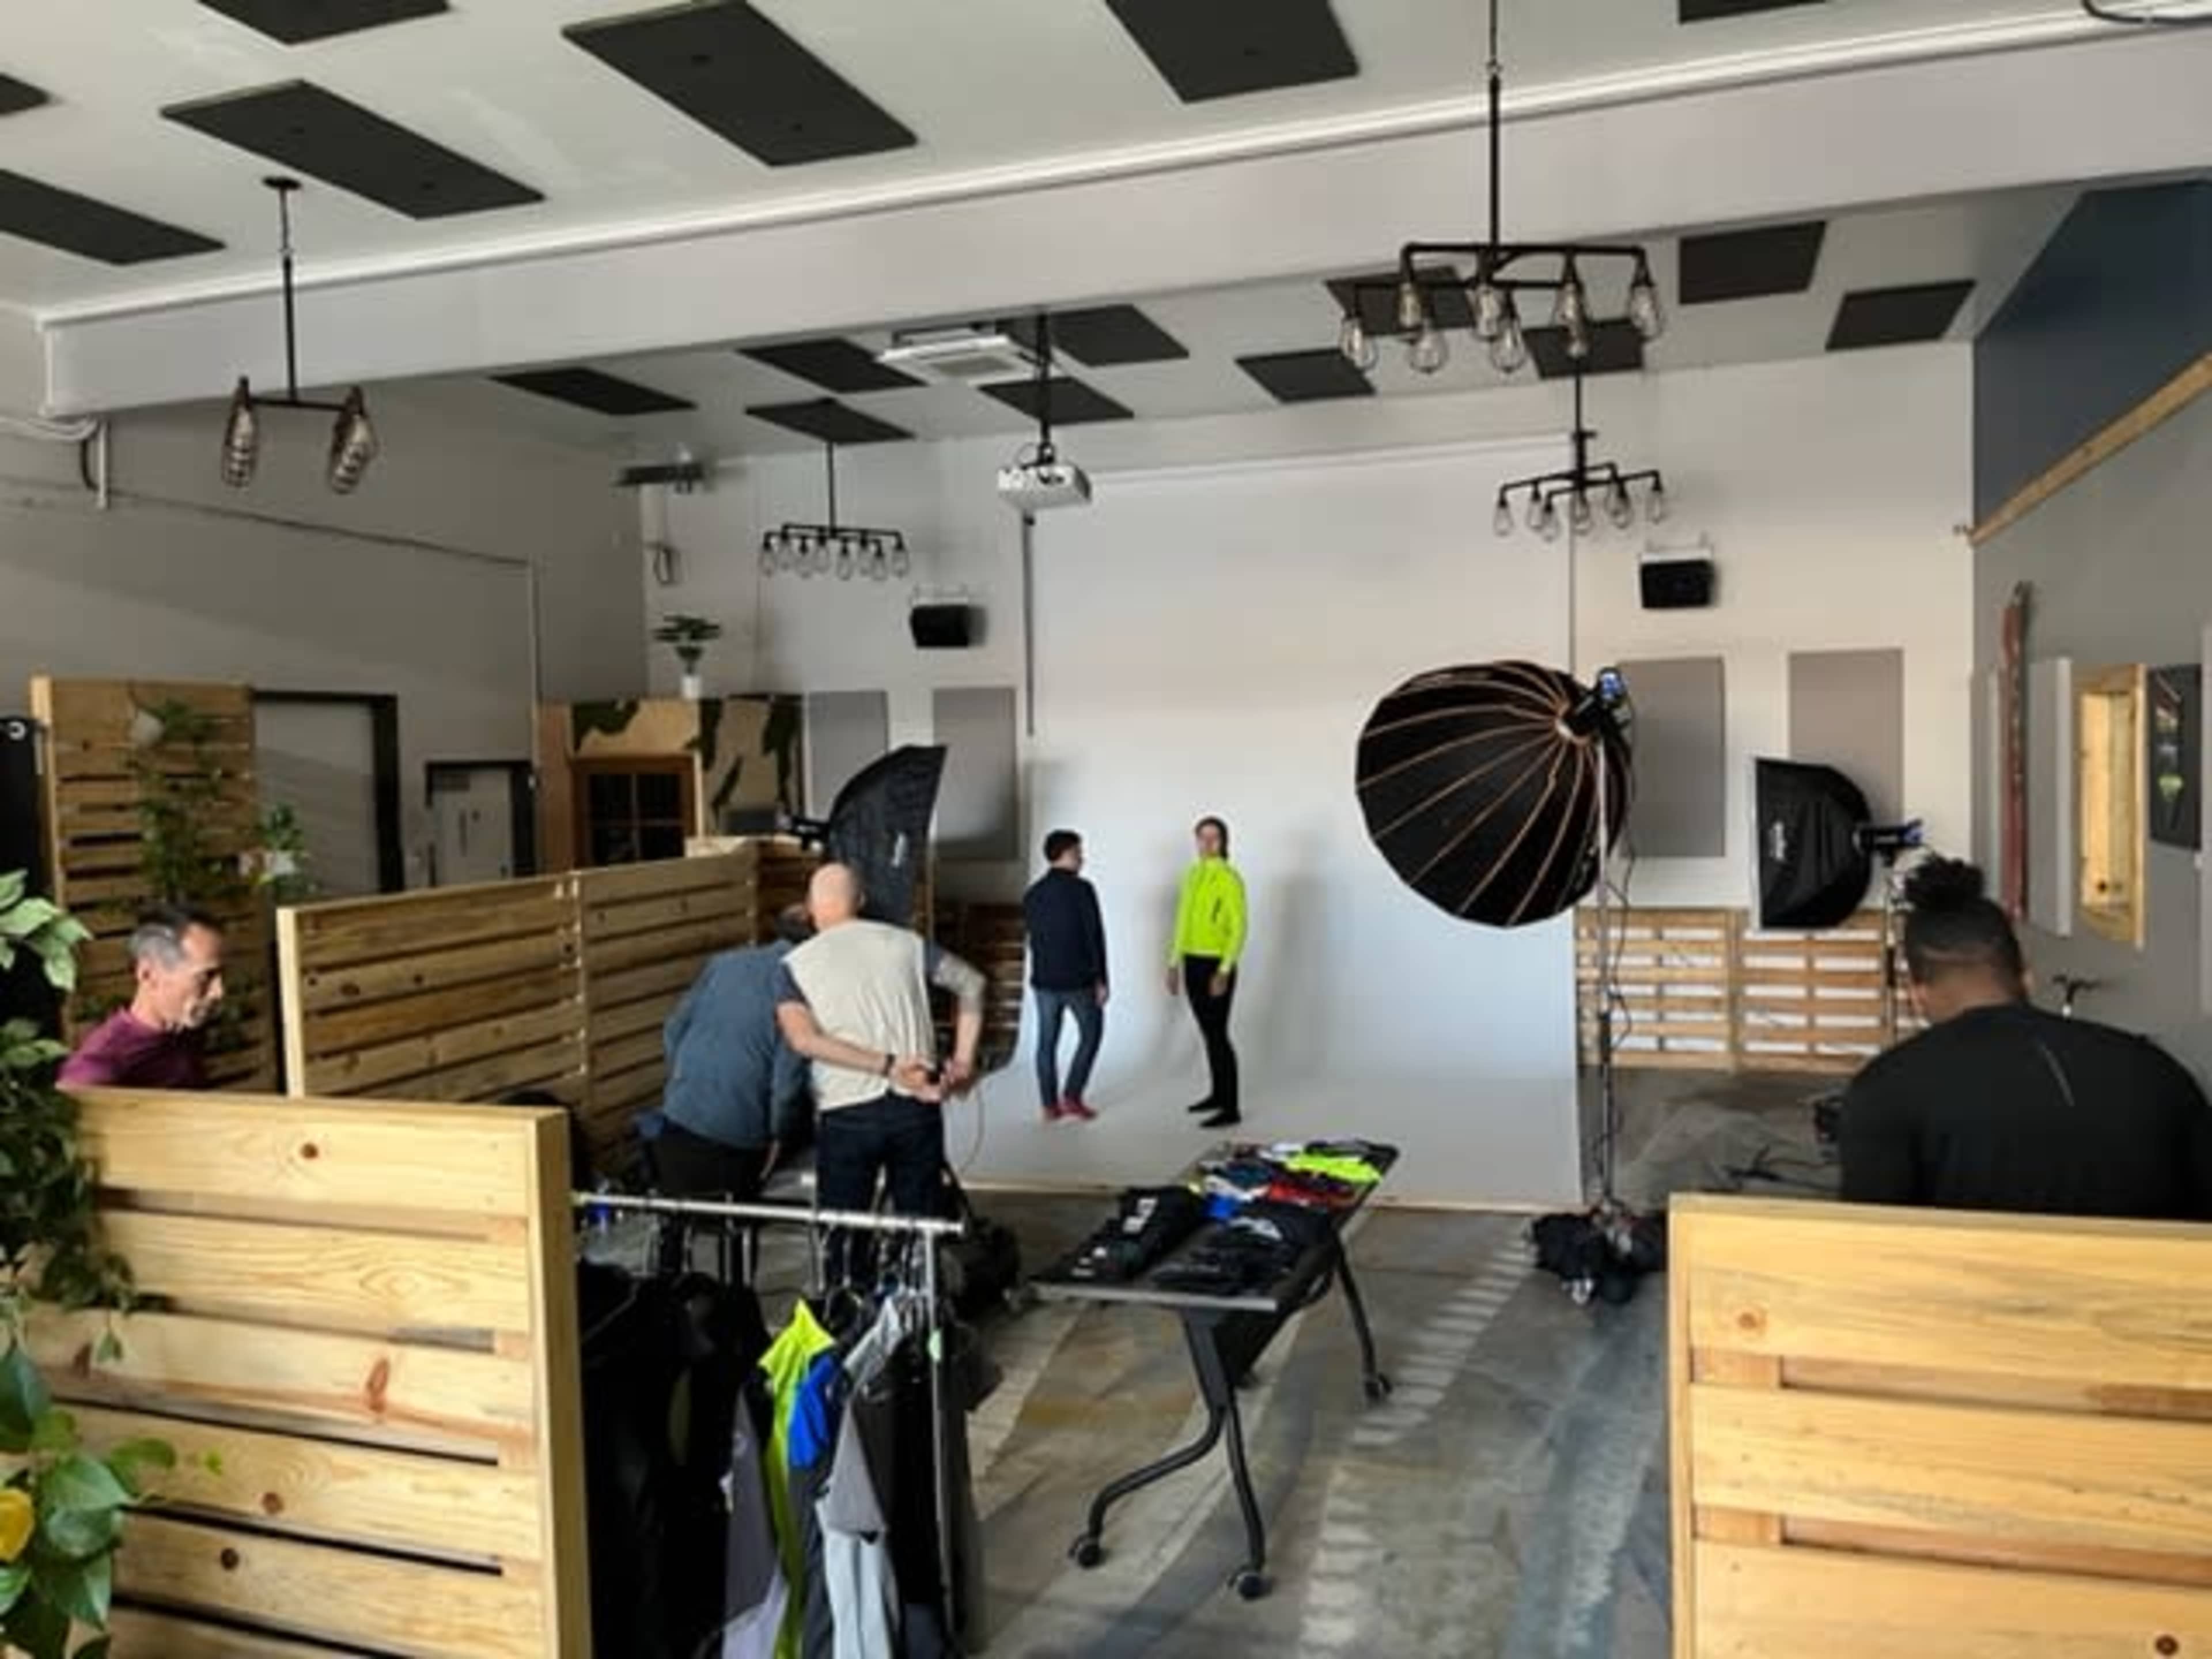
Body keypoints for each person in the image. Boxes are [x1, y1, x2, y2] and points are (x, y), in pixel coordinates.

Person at [1839, 857, 2212, 1219]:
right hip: (2153, 1281)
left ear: (1917, 994)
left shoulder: (1884, 1092)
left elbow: (1871, 1251)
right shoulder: (2156, 1072)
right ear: (2027, 975)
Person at [774, 864, 986, 1262]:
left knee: (843, 1228)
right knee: (920, 1227)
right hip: (916, 1103)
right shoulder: (907, 944)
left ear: (810, 908)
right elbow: (971, 983)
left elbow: (804, 1039)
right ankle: (920, 1310)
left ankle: (849, 1308)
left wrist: (886, 1066)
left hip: (846, 1111)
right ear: (861, 902)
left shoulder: (796, 966)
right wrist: (963, 1061)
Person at [659, 902, 815, 1203]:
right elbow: (786, 1087)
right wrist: (779, 1136)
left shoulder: (725, 963)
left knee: (677, 1219)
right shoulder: (798, 986)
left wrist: (687, 1082)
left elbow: (674, 1029)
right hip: (737, 1138)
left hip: (677, 1120)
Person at [59, 904, 225, 1089]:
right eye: (206, 977)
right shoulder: (97, 1069)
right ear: (148, 974)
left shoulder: (185, 1031)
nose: (219, 991)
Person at [1166, 815, 1248, 1130]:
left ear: (1224, 842)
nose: (1207, 843)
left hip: (1216, 964)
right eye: (1202, 837)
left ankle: (1231, 1107)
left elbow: (1239, 927)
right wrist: (1174, 963)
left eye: (1214, 838)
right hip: (1191, 962)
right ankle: (1217, 1094)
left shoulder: (1229, 878)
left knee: (1218, 1035)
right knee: (1208, 1033)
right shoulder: (1192, 875)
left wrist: (1225, 970)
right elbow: (1182, 921)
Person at [1022, 828, 1107, 1124]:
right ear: (1067, 854)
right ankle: (1071, 1097)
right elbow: (1093, 936)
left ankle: (1049, 1106)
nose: (1082, 858)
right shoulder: (1083, 890)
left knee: (1046, 1044)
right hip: (1078, 981)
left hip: (1043, 982)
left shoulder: (1032, 894)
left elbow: (1034, 940)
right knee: (1092, 1034)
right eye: (1078, 852)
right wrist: (1101, 979)